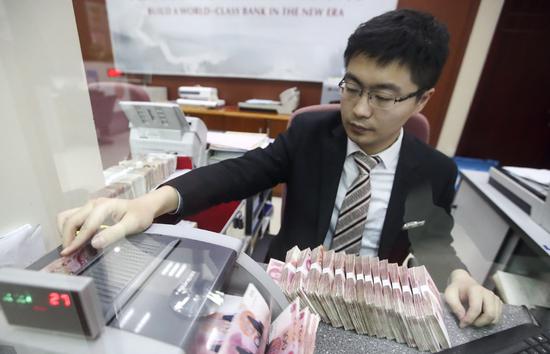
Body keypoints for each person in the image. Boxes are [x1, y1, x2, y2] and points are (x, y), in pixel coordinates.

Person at [58, 9, 502, 328]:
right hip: (284, 297)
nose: (360, 110)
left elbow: (431, 242)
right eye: (352, 87)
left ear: (422, 100)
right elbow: (238, 173)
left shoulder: (431, 170)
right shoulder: (311, 137)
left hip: (367, 313)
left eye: (384, 97)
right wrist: (152, 201)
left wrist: (459, 277)